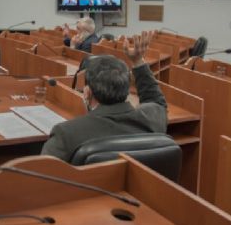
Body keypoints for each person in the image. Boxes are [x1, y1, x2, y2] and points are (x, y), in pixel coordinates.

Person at [42, 31, 168, 161]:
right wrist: (138, 61)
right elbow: (156, 100)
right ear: (127, 91)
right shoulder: (152, 118)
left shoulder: (66, 133)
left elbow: (42, 175)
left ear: (87, 93)